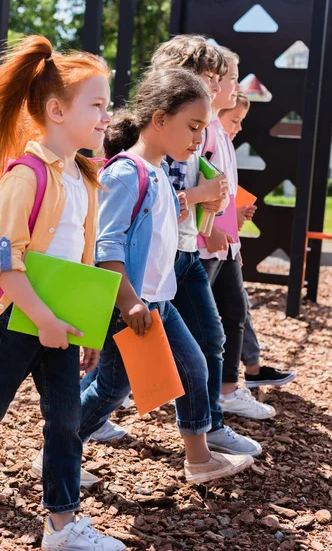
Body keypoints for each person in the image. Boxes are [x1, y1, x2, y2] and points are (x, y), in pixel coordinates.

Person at [0, 35, 125, 551]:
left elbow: (81, 265)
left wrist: (88, 327)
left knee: (65, 420)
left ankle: (62, 527)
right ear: (57, 110)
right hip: (16, 322)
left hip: (58, 323)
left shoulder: (84, 178)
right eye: (98, 105)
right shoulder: (26, 176)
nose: (108, 116)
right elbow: (2, 262)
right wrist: (43, 318)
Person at [76, 67, 254, 484]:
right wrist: (129, 301)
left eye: (202, 128)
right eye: (192, 127)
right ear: (158, 119)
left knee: (193, 368)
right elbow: (108, 246)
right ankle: (57, 451)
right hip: (133, 305)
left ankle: (199, 458)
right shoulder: (126, 173)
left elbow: (157, 230)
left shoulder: (158, 172)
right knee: (111, 388)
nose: (198, 139)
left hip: (157, 301)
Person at [149, 36, 264, 454]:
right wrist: (207, 211)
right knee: (122, 368)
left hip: (186, 254)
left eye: (221, 78)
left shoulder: (201, 129)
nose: (218, 86)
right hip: (164, 259)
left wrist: (215, 209)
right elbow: (161, 199)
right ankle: (77, 429)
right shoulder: (167, 133)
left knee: (209, 336)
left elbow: (195, 190)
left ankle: (207, 429)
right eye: (211, 76)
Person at [195, 47, 276, 419]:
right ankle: (116, 386)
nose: (233, 84)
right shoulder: (205, 131)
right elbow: (194, 185)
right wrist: (212, 229)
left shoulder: (220, 135)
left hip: (223, 244)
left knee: (233, 314)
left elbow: (221, 190)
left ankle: (225, 393)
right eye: (229, 78)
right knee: (199, 328)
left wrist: (232, 238)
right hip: (204, 244)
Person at [218, 92, 296, 388]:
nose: (238, 127)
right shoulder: (210, 141)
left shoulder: (224, 143)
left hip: (224, 244)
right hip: (210, 246)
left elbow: (223, 199)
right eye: (234, 120)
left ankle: (248, 371)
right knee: (230, 313)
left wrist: (234, 232)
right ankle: (236, 379)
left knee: (237, 309)